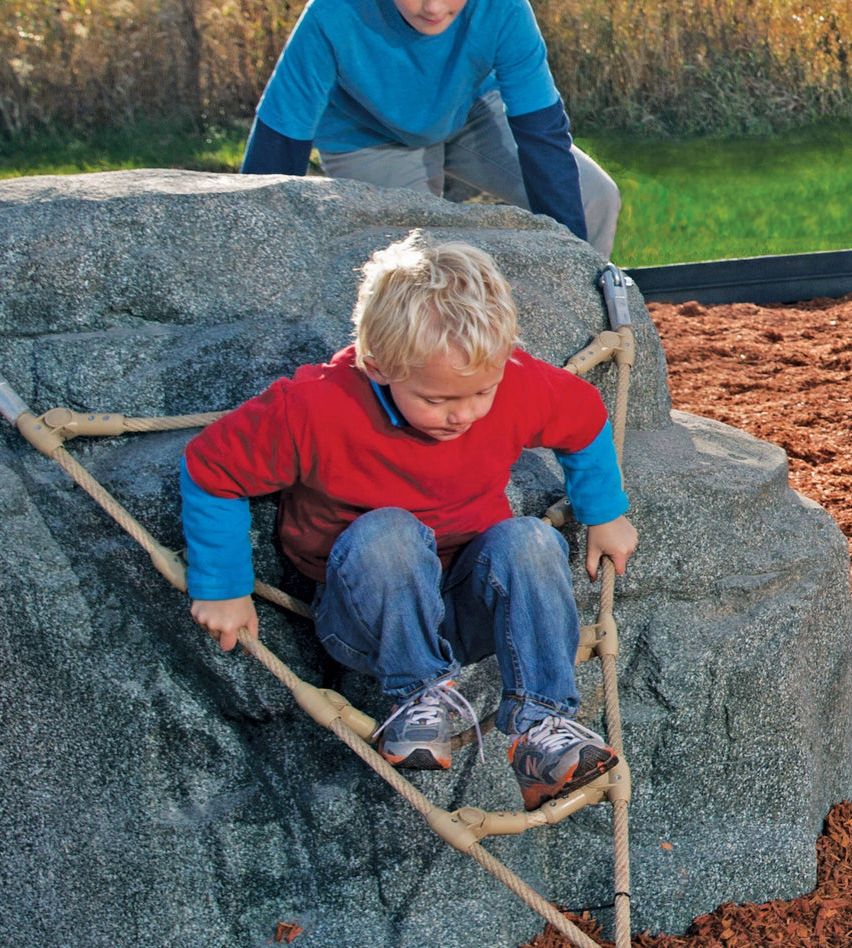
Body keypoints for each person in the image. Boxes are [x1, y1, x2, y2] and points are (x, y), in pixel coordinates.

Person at [180, 234, 638, 810]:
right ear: (377, 365)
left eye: (482, 393)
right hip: (369, 617)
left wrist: (605, 513)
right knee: (390, 531)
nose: (464, 414)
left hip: (470, 609)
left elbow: (583, 417)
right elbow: (212, 468)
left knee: (531, 539)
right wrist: (221, 585)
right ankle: (418, 701)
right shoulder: (313, 408)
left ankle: (543, 732)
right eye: (438, 399)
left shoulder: (515, 383)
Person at [239, 0, 621, 260]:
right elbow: (279, 141)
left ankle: (579, 332)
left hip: (468, 110)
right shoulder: (332, 12)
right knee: (417, 263)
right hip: (367, 133)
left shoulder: (504, 8)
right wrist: (255, 246)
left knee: (595, 200)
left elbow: (542, 133)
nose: (434, 8)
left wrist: (574, 263)